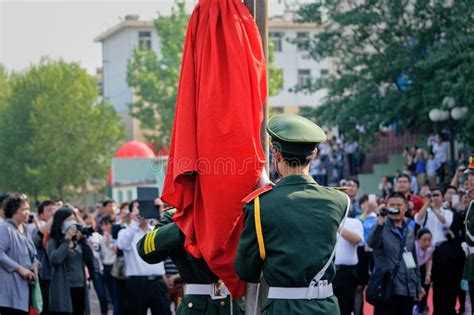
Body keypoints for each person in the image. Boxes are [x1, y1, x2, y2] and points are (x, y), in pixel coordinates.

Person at [234, 114, 350, 314]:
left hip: (283, 308)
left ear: (276, 154)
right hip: (327, 307)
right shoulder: (339, 200)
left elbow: (246, 270)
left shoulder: (261, 204)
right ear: (313, 155)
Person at [138, 209, 241, 315]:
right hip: (197, 306)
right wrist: (187, 221)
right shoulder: (177, 214)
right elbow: (146, 250)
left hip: (236, 304)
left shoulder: (239, 207)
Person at [368, 192, 423, 315]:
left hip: (407, 290)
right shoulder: (380, 227)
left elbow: (412, 260)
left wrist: (418, 286)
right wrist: (380, 221)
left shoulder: (409, 230)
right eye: (391, 205)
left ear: (405, 207)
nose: (395, 208)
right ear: (387, 207)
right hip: (387, 289)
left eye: (398, 205)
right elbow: (372, 243)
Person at [116, 201, 170, 315]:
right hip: (137, 284)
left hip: (157, 282)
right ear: (131, 213)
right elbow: (122, 245)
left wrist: (160, 210)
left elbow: (169, 233)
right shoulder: (125, 232)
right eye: (138, 208)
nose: (142, 211)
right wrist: (135, 222)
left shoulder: (156, 231)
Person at [414, 188, 456, 315]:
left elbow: (447, 223)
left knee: (441, 283)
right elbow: (417, 219)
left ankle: (439, 311)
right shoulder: (425, 211)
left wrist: (435, 210)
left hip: (442, 249)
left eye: (437, 195)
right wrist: (426, 204)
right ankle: (420, 309)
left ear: (442, 197)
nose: (434, 197)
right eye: (432, 195)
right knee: (424, 282)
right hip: (425, 250)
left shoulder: (447, 212)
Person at [47, 207, 95, 315]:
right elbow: (55, 259)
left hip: (80, 287)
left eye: (74, 219)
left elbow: (90, 258)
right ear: (60, 222)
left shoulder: (77, 241)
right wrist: (66, 239)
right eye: (69, 219)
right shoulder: (53, 241)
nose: (72, 222)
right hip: (64, 289)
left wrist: (83, 239)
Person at [0, 193, 37, 315]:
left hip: (25, 288)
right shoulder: (5, 228)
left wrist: (35, 264)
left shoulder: (26, 229)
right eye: (25, 209)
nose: (28, 212)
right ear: (14, 210)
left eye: (28, 208)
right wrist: (20, 269)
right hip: (10, 292)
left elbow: (34, 255)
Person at [333, 216, 363, 315]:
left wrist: (337, 226)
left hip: (346, 273)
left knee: (345, 308)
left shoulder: (354, 222)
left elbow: (356, 240)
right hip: (327, 273)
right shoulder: (324, 221)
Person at [354, 195, 378, 315]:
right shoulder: (358, 218)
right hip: (361, 254)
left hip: (376, 254)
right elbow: (357, 225)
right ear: (360, 206)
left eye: (368, 202)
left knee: (377, 287)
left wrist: (376, 210)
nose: (366, 205)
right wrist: (367, 211)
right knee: (359, 286)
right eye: (363, 203)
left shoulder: (378, 217)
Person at [32, 200, 56, 315]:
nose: (53, 213)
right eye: (49, 210)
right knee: (46, 308)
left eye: (54, 210)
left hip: (62, 277)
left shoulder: (65, 229)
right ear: (41, 215)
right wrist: (53, 220)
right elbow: (36, 241)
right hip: (46, 276)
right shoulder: (36, 229)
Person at [414, 228, 434, 315]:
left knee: (425, 290)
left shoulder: (432, 246)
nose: (427, 243)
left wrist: (428, 274)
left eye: (429, 239)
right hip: (412, 269)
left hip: (422, 268)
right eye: (424, 240)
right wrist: (418, 284)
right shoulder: (413, 248)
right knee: (416, 293)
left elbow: (429, 260)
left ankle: (422, 310)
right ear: (418, 240)